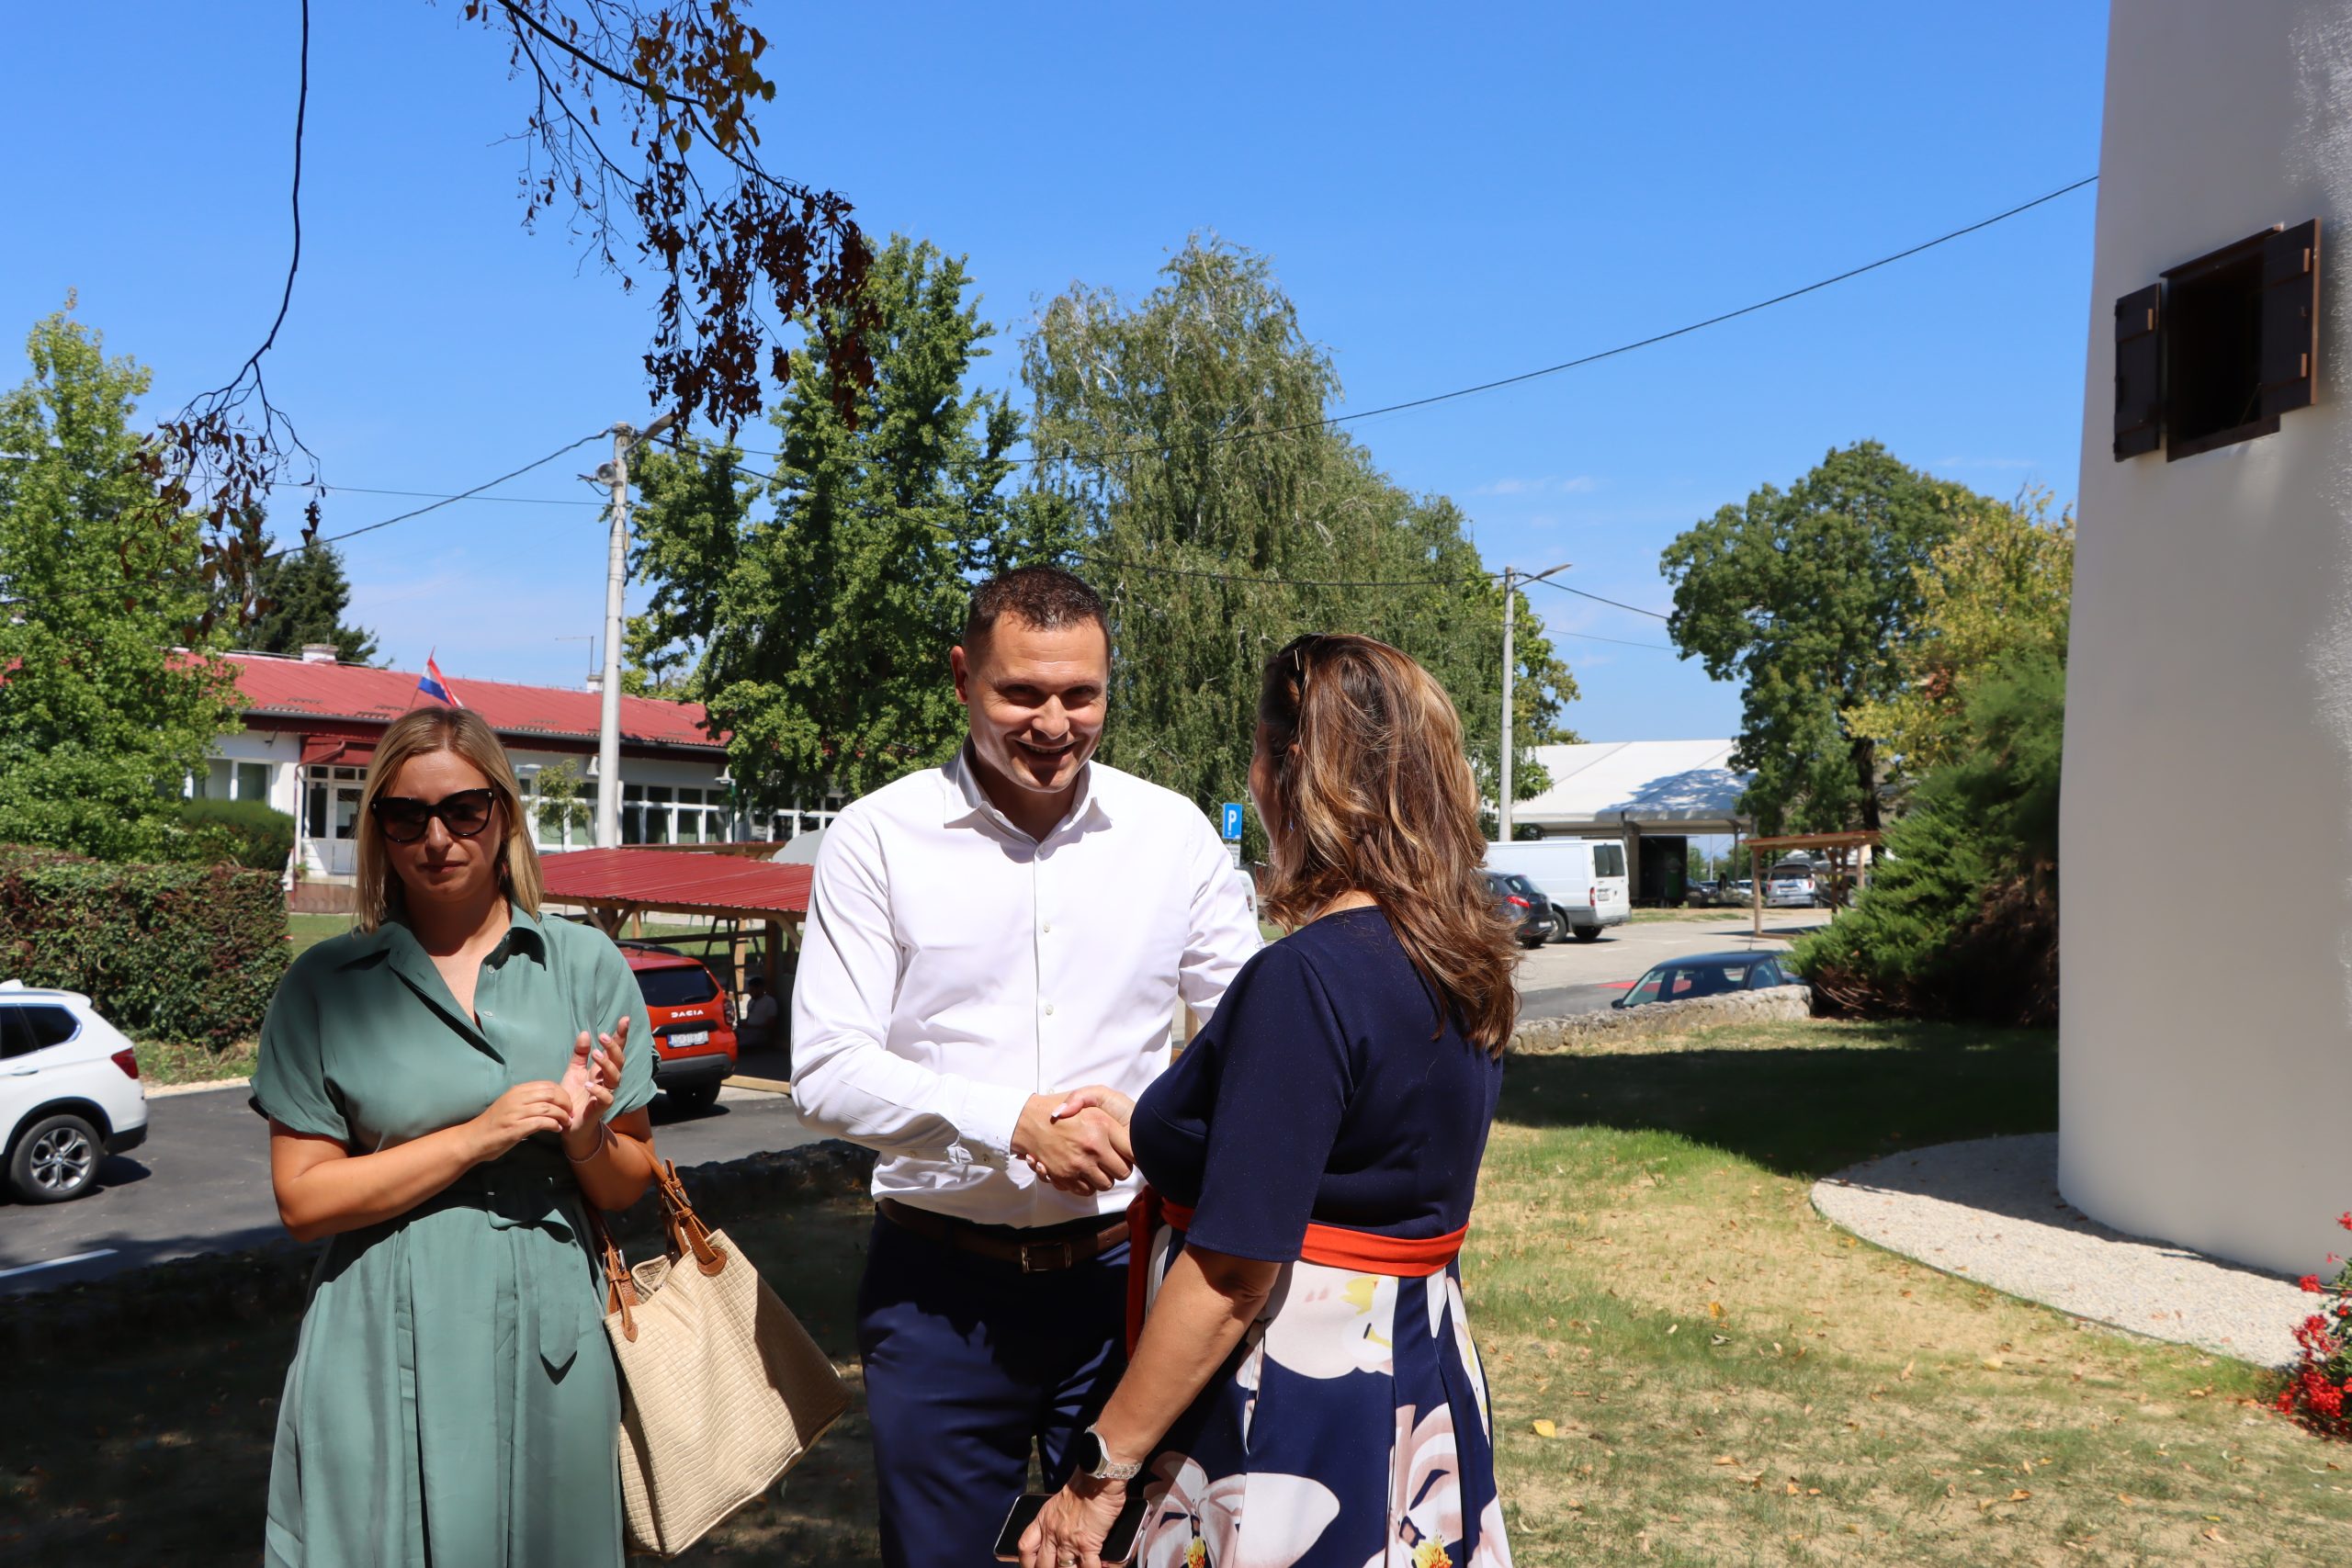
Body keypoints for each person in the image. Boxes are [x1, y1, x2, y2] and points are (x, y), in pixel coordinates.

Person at [790, 566, 1261, 1568]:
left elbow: (1247, 1044)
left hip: (1129, 1282)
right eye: (1021, 692)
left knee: (1133, 1552)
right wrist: (1009, 1120)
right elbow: (825, 1069)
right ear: (962, 677)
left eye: (1080, 694)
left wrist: (1149, 1126)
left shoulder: (1171, 834)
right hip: (939, 1294)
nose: (1053, 723)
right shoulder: (876, 838)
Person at [1023, 633, 1517, 1568]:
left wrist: (1098, 1474)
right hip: (1413, 1367)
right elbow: (1364, 1154)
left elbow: (1230, 1276)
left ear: (1292, 769)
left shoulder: (1305, 977)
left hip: (1290, 1386)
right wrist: (1165, 1129)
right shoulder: (1457, 956)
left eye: (1257, 751)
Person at [252, 706, 658, 1567]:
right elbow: (302, 1200)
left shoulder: (584, 964)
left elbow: (631, 1183)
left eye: (463, 810)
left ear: (503, 813)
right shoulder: (325, 983)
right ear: (379, 829)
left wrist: (585, 1136)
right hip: (379, 1333)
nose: (436, 838)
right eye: (406, 816)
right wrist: (477, 1137)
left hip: (550, 1336)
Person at [736, 973, 781, 1053]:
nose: (750, 993)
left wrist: (751, 1027)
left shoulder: (770, 1002)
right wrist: (743, 1024)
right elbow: (749, 1018)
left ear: (760, 989)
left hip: (759, 1034)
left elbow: (770, 1025)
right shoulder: (751, 1001)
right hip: (747, 1032)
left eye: (752, 990)